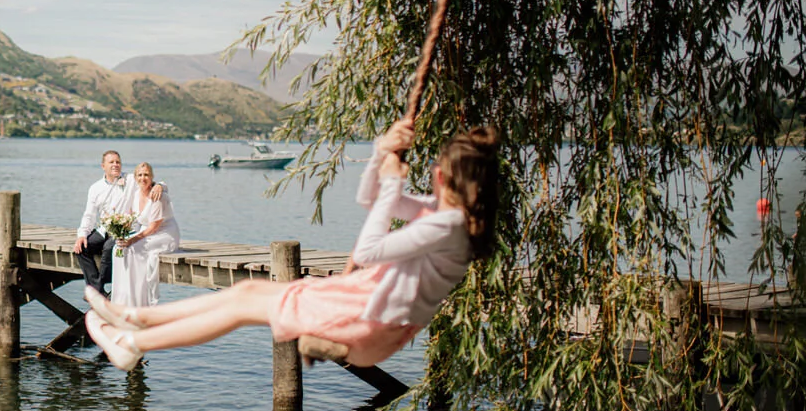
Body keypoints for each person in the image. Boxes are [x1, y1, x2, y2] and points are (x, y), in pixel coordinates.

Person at [84, 119, 499, 370]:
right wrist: (379, 153)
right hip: (364, 307)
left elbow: (369, 250)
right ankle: (133, 318)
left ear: (441, 176)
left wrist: (393, 181)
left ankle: (133, 343)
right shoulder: (442, 214)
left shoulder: (449, 225)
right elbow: (370, 200)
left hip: (368, 321)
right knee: (246, 292)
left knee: (243, 306)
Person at [74, 150, 165, 297]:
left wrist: (160, 186)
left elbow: (150, 182)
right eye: (111, 162)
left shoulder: (131, 180)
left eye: (118, 162)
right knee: (82, 248)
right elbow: (89, 215)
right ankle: (97, 291)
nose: (115, 165)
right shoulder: (95, 188)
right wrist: (82, 235)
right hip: (104, 229)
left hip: (125, 230)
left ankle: (99, 288)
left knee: (109, 247)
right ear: (103, 166)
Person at [111, 162, 180, 308]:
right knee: (117, 249)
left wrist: (133, 239)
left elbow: (154, 227)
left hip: (164, 234)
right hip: (146, 233)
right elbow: (130, 218)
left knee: (134, 249)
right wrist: (121, 233)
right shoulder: (135, 195)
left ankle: (138, 301)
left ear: (152, 177)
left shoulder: (158, 196)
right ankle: (121, 299)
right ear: (136, 177)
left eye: (146, 175)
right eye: (140, 175)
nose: (143, 178)